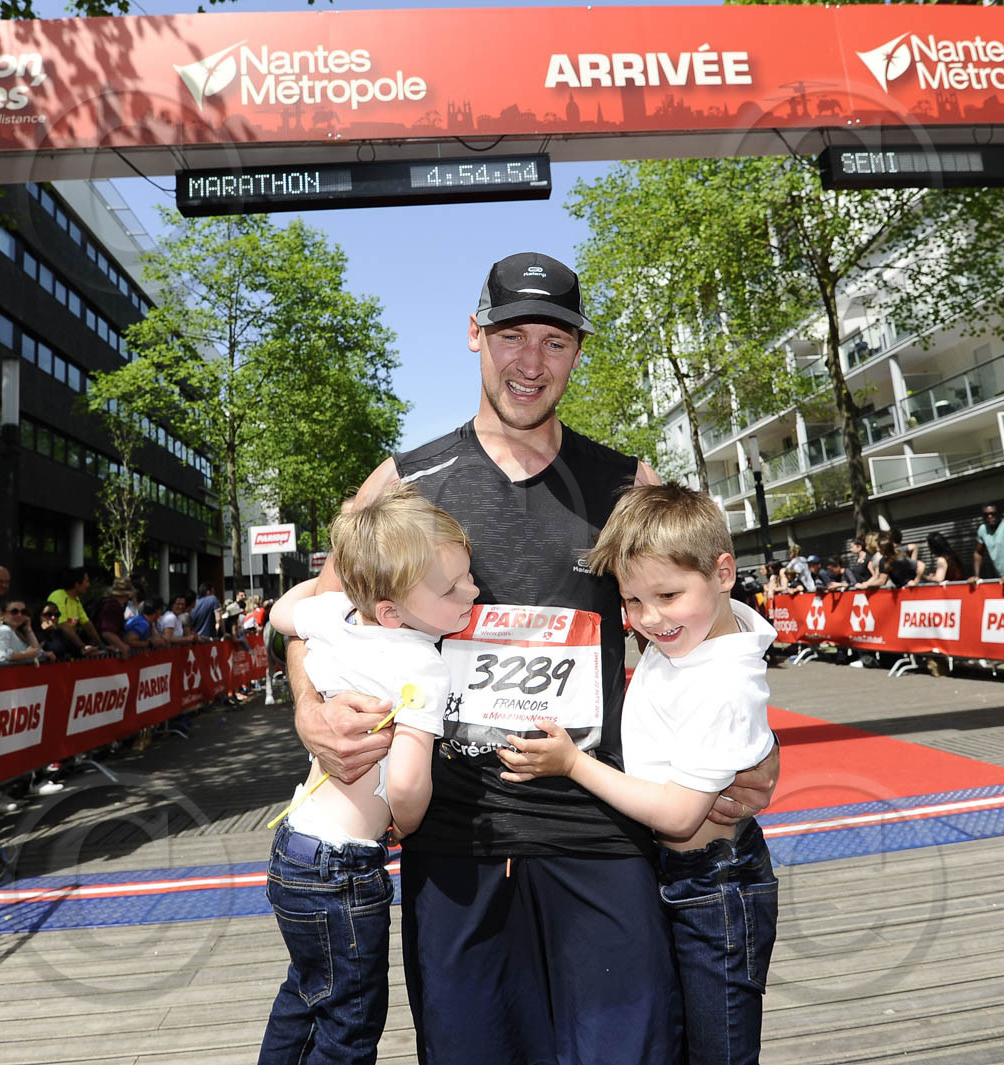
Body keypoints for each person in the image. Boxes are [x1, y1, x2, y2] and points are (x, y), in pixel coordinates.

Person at [286, 251, 779, 1065]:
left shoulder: (626, 482)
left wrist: (754, 744)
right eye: (512, 335)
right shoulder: (405, 482)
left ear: (578, 352)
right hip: (458, 838)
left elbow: (703, 622)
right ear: (474, 334)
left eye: (555, 341)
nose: (531, 362)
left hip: (601, 830)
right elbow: (313, 616)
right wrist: (310, 708)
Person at [498, 484, 778, 1065]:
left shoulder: (722, 682)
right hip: (681, 875)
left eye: (668, 595)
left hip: (715, 888)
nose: (649, 619)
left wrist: (573, 764)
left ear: (724, 573)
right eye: (632, 601)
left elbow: (678, 814)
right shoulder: (692, 636)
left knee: (720, 1051)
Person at [257, 484, 477, 1065]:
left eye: (468, 576)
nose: (472, 591)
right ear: (393, 613)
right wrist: (406, 823)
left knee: (306, 993)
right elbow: (406, 783)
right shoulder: (421, 665)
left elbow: (281, 614)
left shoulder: (333, 614)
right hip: (345, 869)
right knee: (349, 1024)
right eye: (452, 588)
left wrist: (338, 588)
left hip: (294, 850)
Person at [49, 566, 102, 655]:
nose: (88, 585)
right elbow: (62, 625)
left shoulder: (76, 599)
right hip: (56, 640)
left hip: (69, 639)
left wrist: (101, 645)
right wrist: (82, 647)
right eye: (86, 581)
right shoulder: (57, 596)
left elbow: (86, 623)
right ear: (77, 584)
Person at [0, 599, 50, 665]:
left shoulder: (18, 633)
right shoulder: (3, 630)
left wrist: (28, 629)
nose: (19, 615)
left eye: (23, 612)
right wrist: (27, 655)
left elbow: (36, 652)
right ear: (3, 614)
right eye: (14, 612)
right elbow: (1, 657)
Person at [973, 505, 1004, 580]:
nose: (990, 516)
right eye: (986, 514)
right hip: (1002, 577)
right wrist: (976, 576)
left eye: (993, 513)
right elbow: (978, 553)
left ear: (999, 513)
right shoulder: (983, 529)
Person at [95, 577, 134, 654]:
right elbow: (107, 633)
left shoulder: (106, 602)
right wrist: (122, 647)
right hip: (104, 652)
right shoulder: (113, 607)